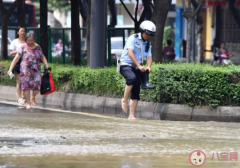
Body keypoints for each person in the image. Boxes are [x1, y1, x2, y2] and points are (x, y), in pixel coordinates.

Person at [120, 20, 156, 120]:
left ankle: (131, 116)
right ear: (142, 31)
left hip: (136, 67)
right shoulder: (133, 38)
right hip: (125, 65)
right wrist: (139, 65)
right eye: (147, 33)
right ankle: (124, 100)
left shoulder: (148, 43)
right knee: (131, 78)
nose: (148, 36)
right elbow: (130, 53)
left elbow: (149, 56)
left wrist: (148, 66)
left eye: (150, 35)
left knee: (136, 90)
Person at [8, 33, 49, 109]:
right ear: (26, 40)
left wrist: (46, 64)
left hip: (36, 70)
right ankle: (28, 103)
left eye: (32, 40)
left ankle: (33, 97)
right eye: (28, 40)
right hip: (25, 71)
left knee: (37, 87)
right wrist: (10, 69)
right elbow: (16, 59)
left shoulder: (37, 47)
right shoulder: (23, 47)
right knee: (26, 87)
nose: (30, 42)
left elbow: (42, 56)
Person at [9, 26, 26, 105]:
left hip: (26, 62)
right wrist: (19, 51)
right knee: (19, 80)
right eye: (21, 31)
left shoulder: (27, 42)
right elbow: (11, 53)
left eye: (24, 31)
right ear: (18, 32)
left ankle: (23, 95)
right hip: (18, 62)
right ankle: (20, 98)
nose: (23, 32)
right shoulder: (14, 42)